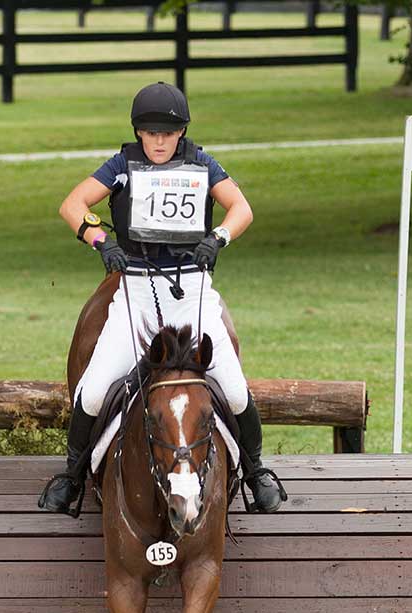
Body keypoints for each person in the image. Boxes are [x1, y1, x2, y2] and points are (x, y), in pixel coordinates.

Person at [40, 80, 283, 516]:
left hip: (192, 294)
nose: (158, 141)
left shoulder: (203, 164)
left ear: (181, 133)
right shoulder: (121, 165)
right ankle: (72, 476)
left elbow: (241, 208)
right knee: (93, 393)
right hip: (134, 293)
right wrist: (100, 241)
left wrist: (219, 237)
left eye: (167, 134)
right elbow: (72, 204)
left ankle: (256, 471)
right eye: (151, 133)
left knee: (236, 391)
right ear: (138, 133)